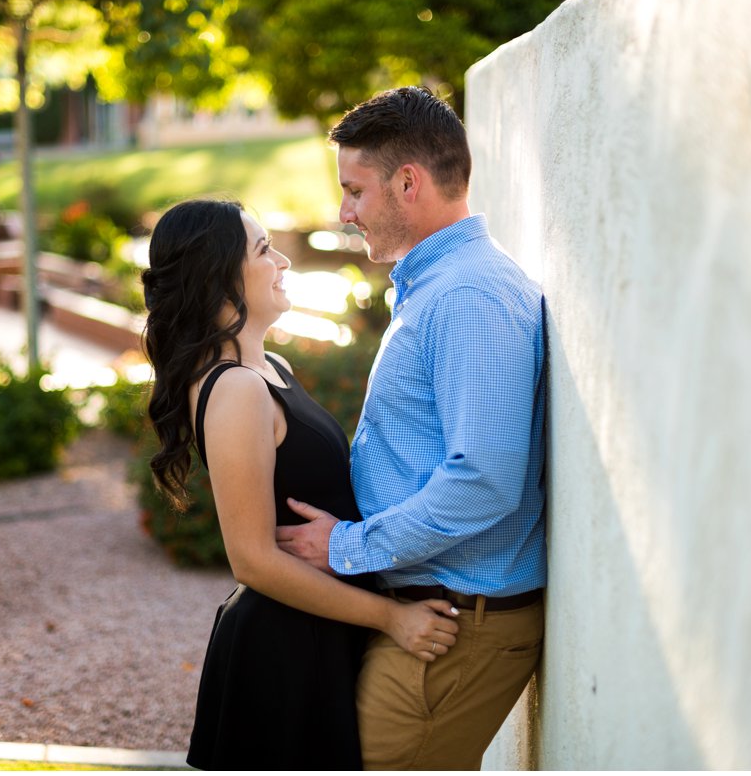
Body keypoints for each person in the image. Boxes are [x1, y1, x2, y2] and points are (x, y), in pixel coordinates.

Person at [276, 85, 548, 770]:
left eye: (355, 191)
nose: (344, 212)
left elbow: (484, 480)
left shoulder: (468, 296)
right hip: (438, 617)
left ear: (407, 182)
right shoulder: (442, 286)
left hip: (453, 627)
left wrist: (349, 546)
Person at [140, 198, 462, 770]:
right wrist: (393, 619)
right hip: (284, 648)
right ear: (219, 276)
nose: (283, 261)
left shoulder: (272, 369)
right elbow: (253, 561)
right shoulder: (235, 389)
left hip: (321, 631)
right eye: (264, 250)